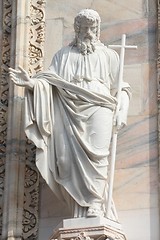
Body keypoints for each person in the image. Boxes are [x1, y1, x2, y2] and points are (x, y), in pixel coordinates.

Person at [9, 9, 131, 219]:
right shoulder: (63, 55)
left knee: (98, 157)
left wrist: (123, 110)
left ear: (97, 30)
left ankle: (94, 204)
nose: (88, 33)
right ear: (76, 30)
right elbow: (49, 82)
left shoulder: (109, 55)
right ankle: (78, 206)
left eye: (92, 28)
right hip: (68, 110)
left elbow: (122, 88)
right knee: (64, 160)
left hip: (100, 106)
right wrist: (32, 84)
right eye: (84, 28)